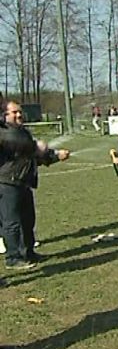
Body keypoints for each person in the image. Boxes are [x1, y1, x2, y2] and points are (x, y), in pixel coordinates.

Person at [0, 101, 70, 269]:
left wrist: (54, 157)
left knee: (27, 220)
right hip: (8, 182)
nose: (19, 115)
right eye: (14, 112)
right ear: (4, 115)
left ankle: (28, 252)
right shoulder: (4, 133)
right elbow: (21, 145)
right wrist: (36, 146)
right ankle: (13, 257)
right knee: (12, 222)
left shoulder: (23, 132)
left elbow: (33, 156)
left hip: (24, 181)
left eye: (20, 112)